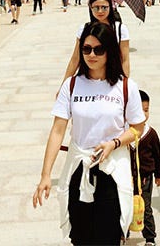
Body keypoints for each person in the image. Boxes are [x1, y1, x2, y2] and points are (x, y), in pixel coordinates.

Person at [33, 22, 146, 245]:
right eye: (86, 49)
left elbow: (138, 128)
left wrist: (114, 143)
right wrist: (45, 175)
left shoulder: (125, 86)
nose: (91, 55)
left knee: (109, 234)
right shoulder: (72, 85)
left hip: (111, 170)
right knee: (80, 235)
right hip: (78, 168)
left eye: (98, 49)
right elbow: (57, 131)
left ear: (110, 51)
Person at [63, 0, 131, 81]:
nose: (100, 11)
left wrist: (124, 84)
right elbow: (75, 59)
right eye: (96, 7)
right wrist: (64, 84)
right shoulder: (84, 29)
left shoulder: (120, 30)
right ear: (90, 8)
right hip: (88, 80)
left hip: (112, 79)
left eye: (104, 7)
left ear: (110, 7)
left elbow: (125, 59)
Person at [134, 90, 160, 246]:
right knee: (124, 206)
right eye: (140, 110)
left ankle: (150, 238)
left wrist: (159, 175)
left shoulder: (150, 134)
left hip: (145, 178)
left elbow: (157, 156)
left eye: (146, 110)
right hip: (126, 177)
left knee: (145, 208)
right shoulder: (123, 133)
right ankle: (122, 234)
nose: (144, 114)